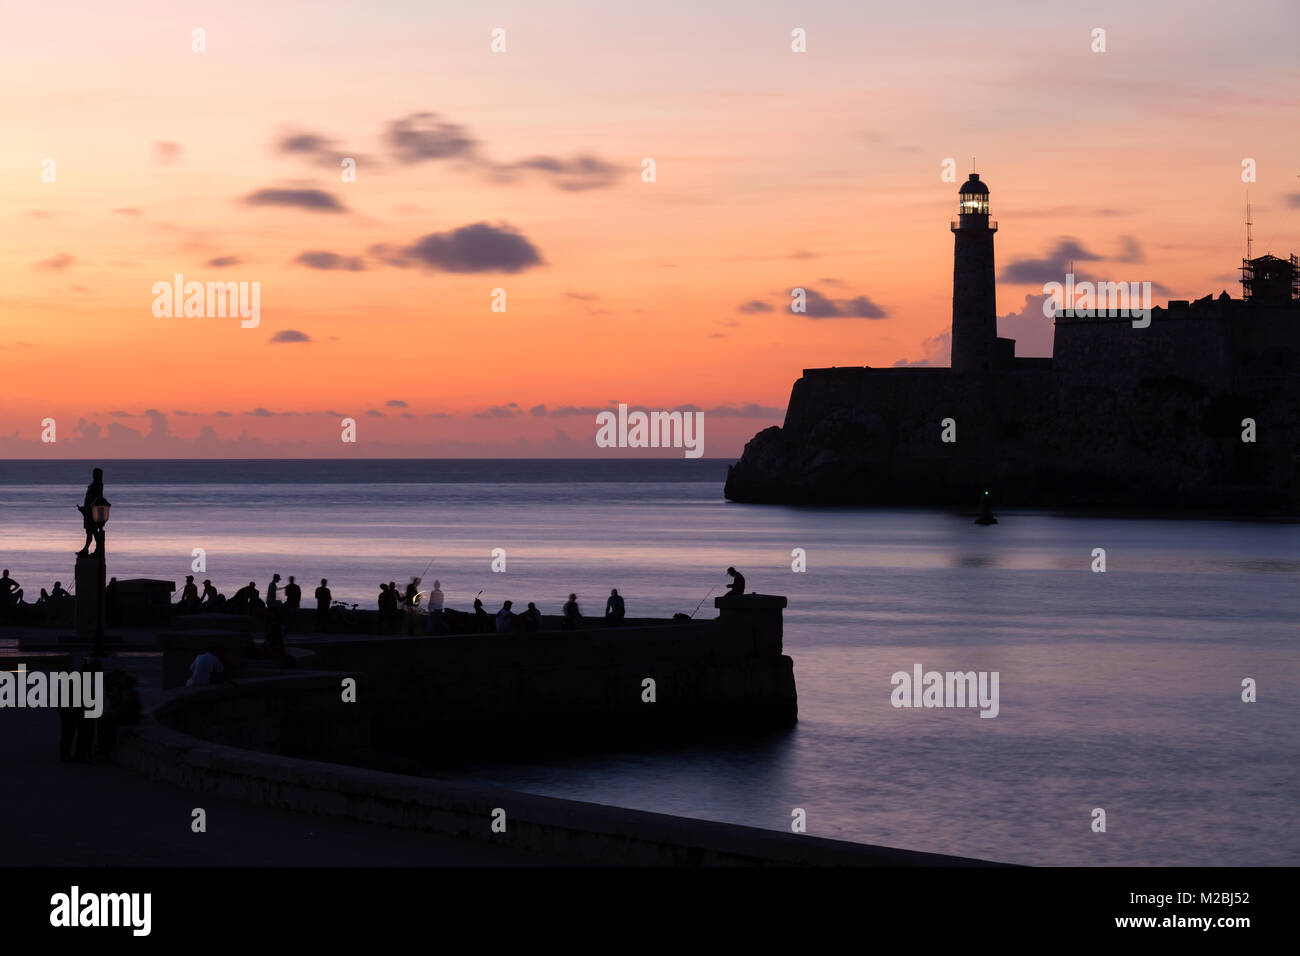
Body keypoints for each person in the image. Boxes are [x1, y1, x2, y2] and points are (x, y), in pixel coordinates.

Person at [75, 467, 106, 556]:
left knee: (93, 531)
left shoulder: (98, 485)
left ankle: (93, 549)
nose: (94, 475)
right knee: (90, 531)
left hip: (92, 512)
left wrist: (87, 509)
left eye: (95, 474)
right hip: (89, 511)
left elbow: (96, 499)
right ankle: (88, 549)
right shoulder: (96, 485)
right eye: (94, 474)